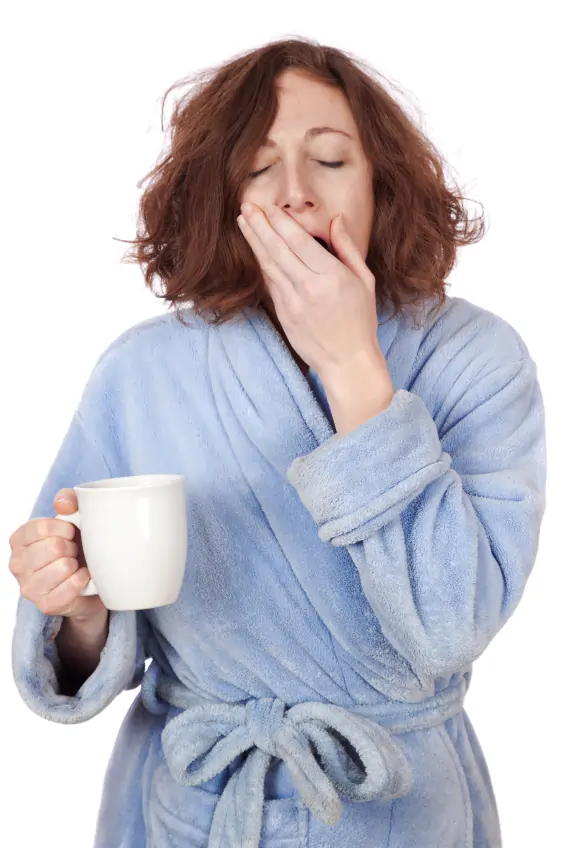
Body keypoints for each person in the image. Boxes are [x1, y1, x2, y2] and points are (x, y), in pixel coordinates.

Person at [9, 37, 546, 848]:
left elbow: (448, 626)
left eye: (329, 159)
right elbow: (85, 647)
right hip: (195, 804)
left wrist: (352, 363)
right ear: (219, 197)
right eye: (259, 169)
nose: (294, 193)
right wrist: (81, 610)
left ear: (380, 183)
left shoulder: (477, 359)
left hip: (393, 809)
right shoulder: (142, 370)